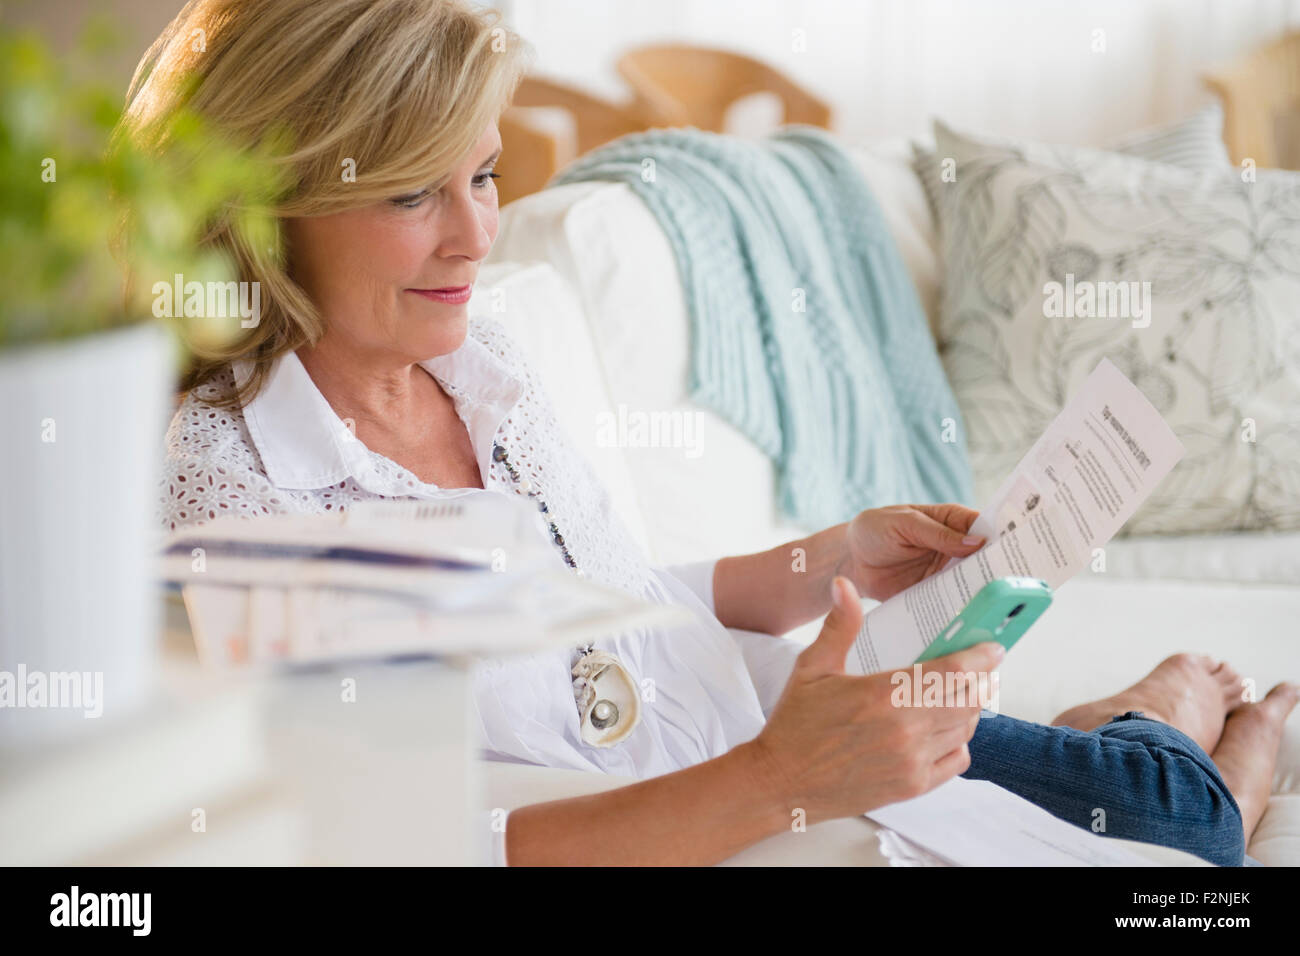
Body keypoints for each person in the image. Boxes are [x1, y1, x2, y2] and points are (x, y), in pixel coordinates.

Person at [132, 0, 1296, 866]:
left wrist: (830, 558)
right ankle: (1168, 723)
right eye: (409, 195)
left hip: (776, 721)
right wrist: (775, 780)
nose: (477, 237)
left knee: (1156, 826)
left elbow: (625, 600)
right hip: (753, 787)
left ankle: (1132, 733)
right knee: (1179, 824)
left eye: (483, 176)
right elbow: (403, 843)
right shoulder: (240, 495)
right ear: (263, 201)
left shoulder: (478, 363)